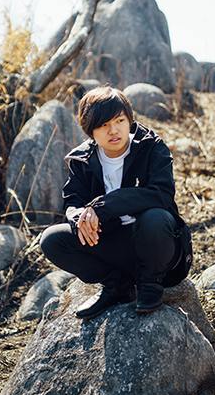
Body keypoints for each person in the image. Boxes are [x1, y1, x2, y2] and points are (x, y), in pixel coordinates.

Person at [40, 85, 192, 319]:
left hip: (157, 245)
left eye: (119, 121)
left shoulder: (151, 146)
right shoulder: (82, 159)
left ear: (129, 121)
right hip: (114, 244)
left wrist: (102, 206)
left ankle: (150, 284)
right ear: (90, 130)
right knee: (52, 240)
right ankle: (117, 286)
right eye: (103, 125)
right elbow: (72, 201)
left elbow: (161, 194)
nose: (114, 130)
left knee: (154, 216)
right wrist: (81, 217)